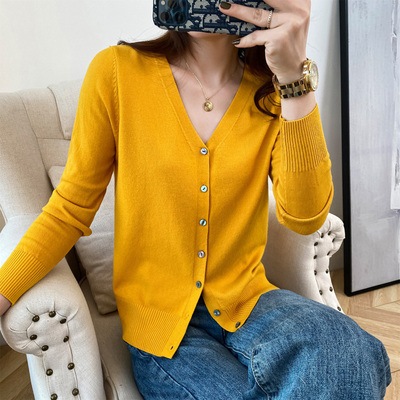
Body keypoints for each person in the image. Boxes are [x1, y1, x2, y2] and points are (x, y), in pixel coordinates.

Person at [0, 1, 392, 398]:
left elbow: (305, 217)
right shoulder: (118, 72)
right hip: (162, 329)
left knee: (351, 352)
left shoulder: (274, 91)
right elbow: (69, 210)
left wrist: (294, 79)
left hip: (250, 303)